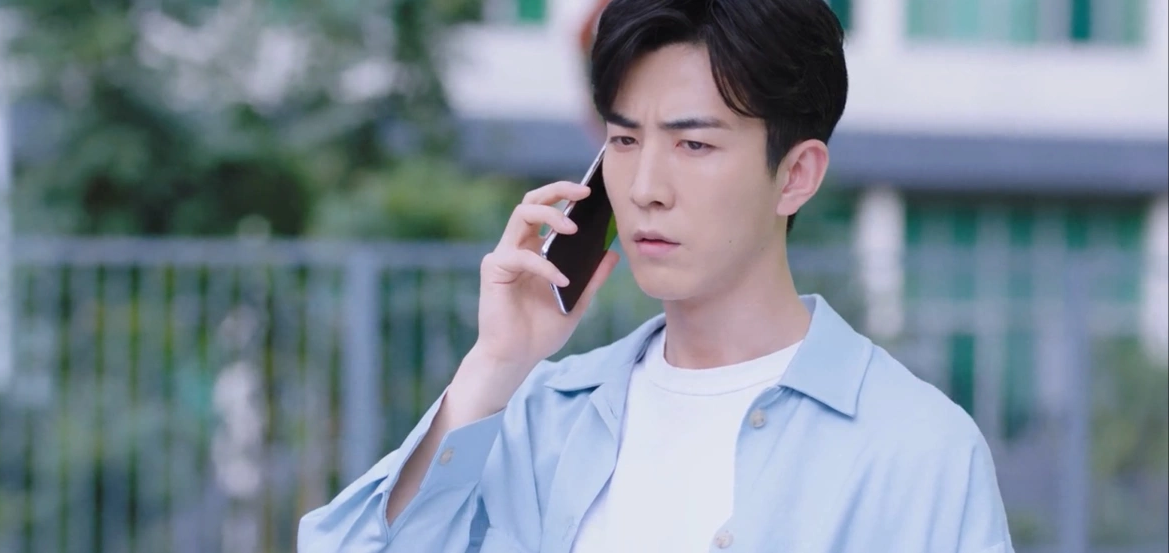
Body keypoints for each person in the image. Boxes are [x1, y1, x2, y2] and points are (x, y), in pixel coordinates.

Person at [298, 0, 1015, 551]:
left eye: (693, 144)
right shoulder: (543, 416)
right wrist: (493, 365)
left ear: (796, 175)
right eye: (623, 139)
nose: (644, 187)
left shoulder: (919, 451)